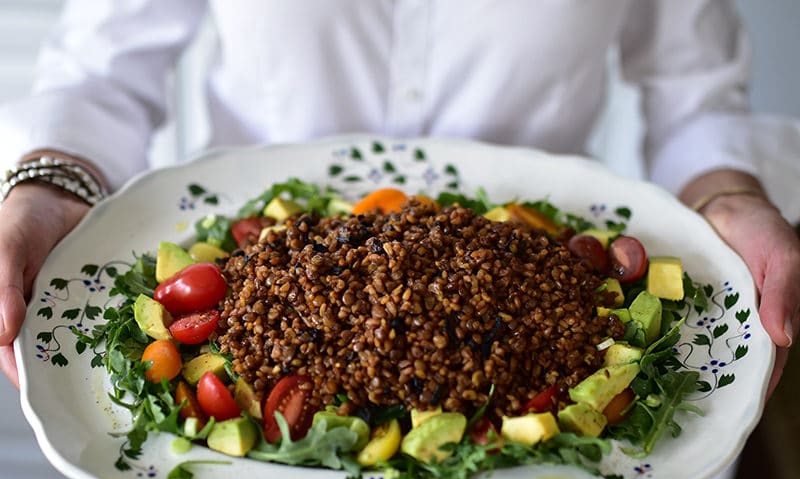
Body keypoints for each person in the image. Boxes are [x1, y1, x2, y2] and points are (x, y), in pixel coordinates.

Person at [0, 2, 798, 394]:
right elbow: (99, 71)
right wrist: (47, 190)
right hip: (268, 288)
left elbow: (698, 101)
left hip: (532, 292)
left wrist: (731, 196)